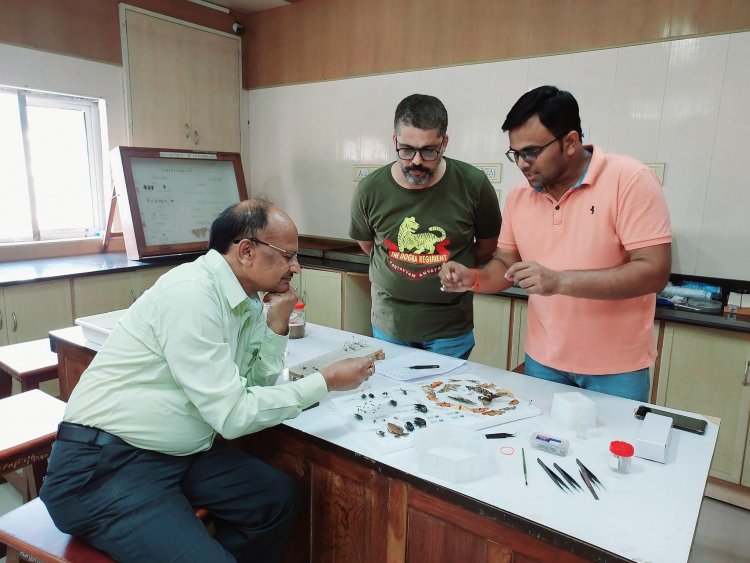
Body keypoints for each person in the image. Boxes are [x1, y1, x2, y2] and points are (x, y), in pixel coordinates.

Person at [40, 199, 373, 562]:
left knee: (277, 499)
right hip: (103, 467)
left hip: (175, 452)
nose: (296, 267)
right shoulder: (193, 295)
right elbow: (233, 417)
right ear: (246, 250)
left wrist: (276, 324)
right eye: (288, 256)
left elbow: (253, 389)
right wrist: (325, 380)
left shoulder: (242, 299)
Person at [439, 85, 671, 401]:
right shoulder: (519, 197)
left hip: (617, 370)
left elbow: (654, 271)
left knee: (609, 451)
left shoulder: (629, 180)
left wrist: (559, 281)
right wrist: (473, 278)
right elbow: (505, 264)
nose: (522, 163)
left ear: (570, 142)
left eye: (531, 152)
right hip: (544, 362)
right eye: (515, 154)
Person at [349, 93, 501, 359]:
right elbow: (368, 245)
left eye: (428, 150)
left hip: (450, 331)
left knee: (444, 399)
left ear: (444, 143)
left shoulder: (473, 184)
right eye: (407, 149)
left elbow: (487, 247)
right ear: (394, 140)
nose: (416, 161)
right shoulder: (370, 189)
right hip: (389, 326)